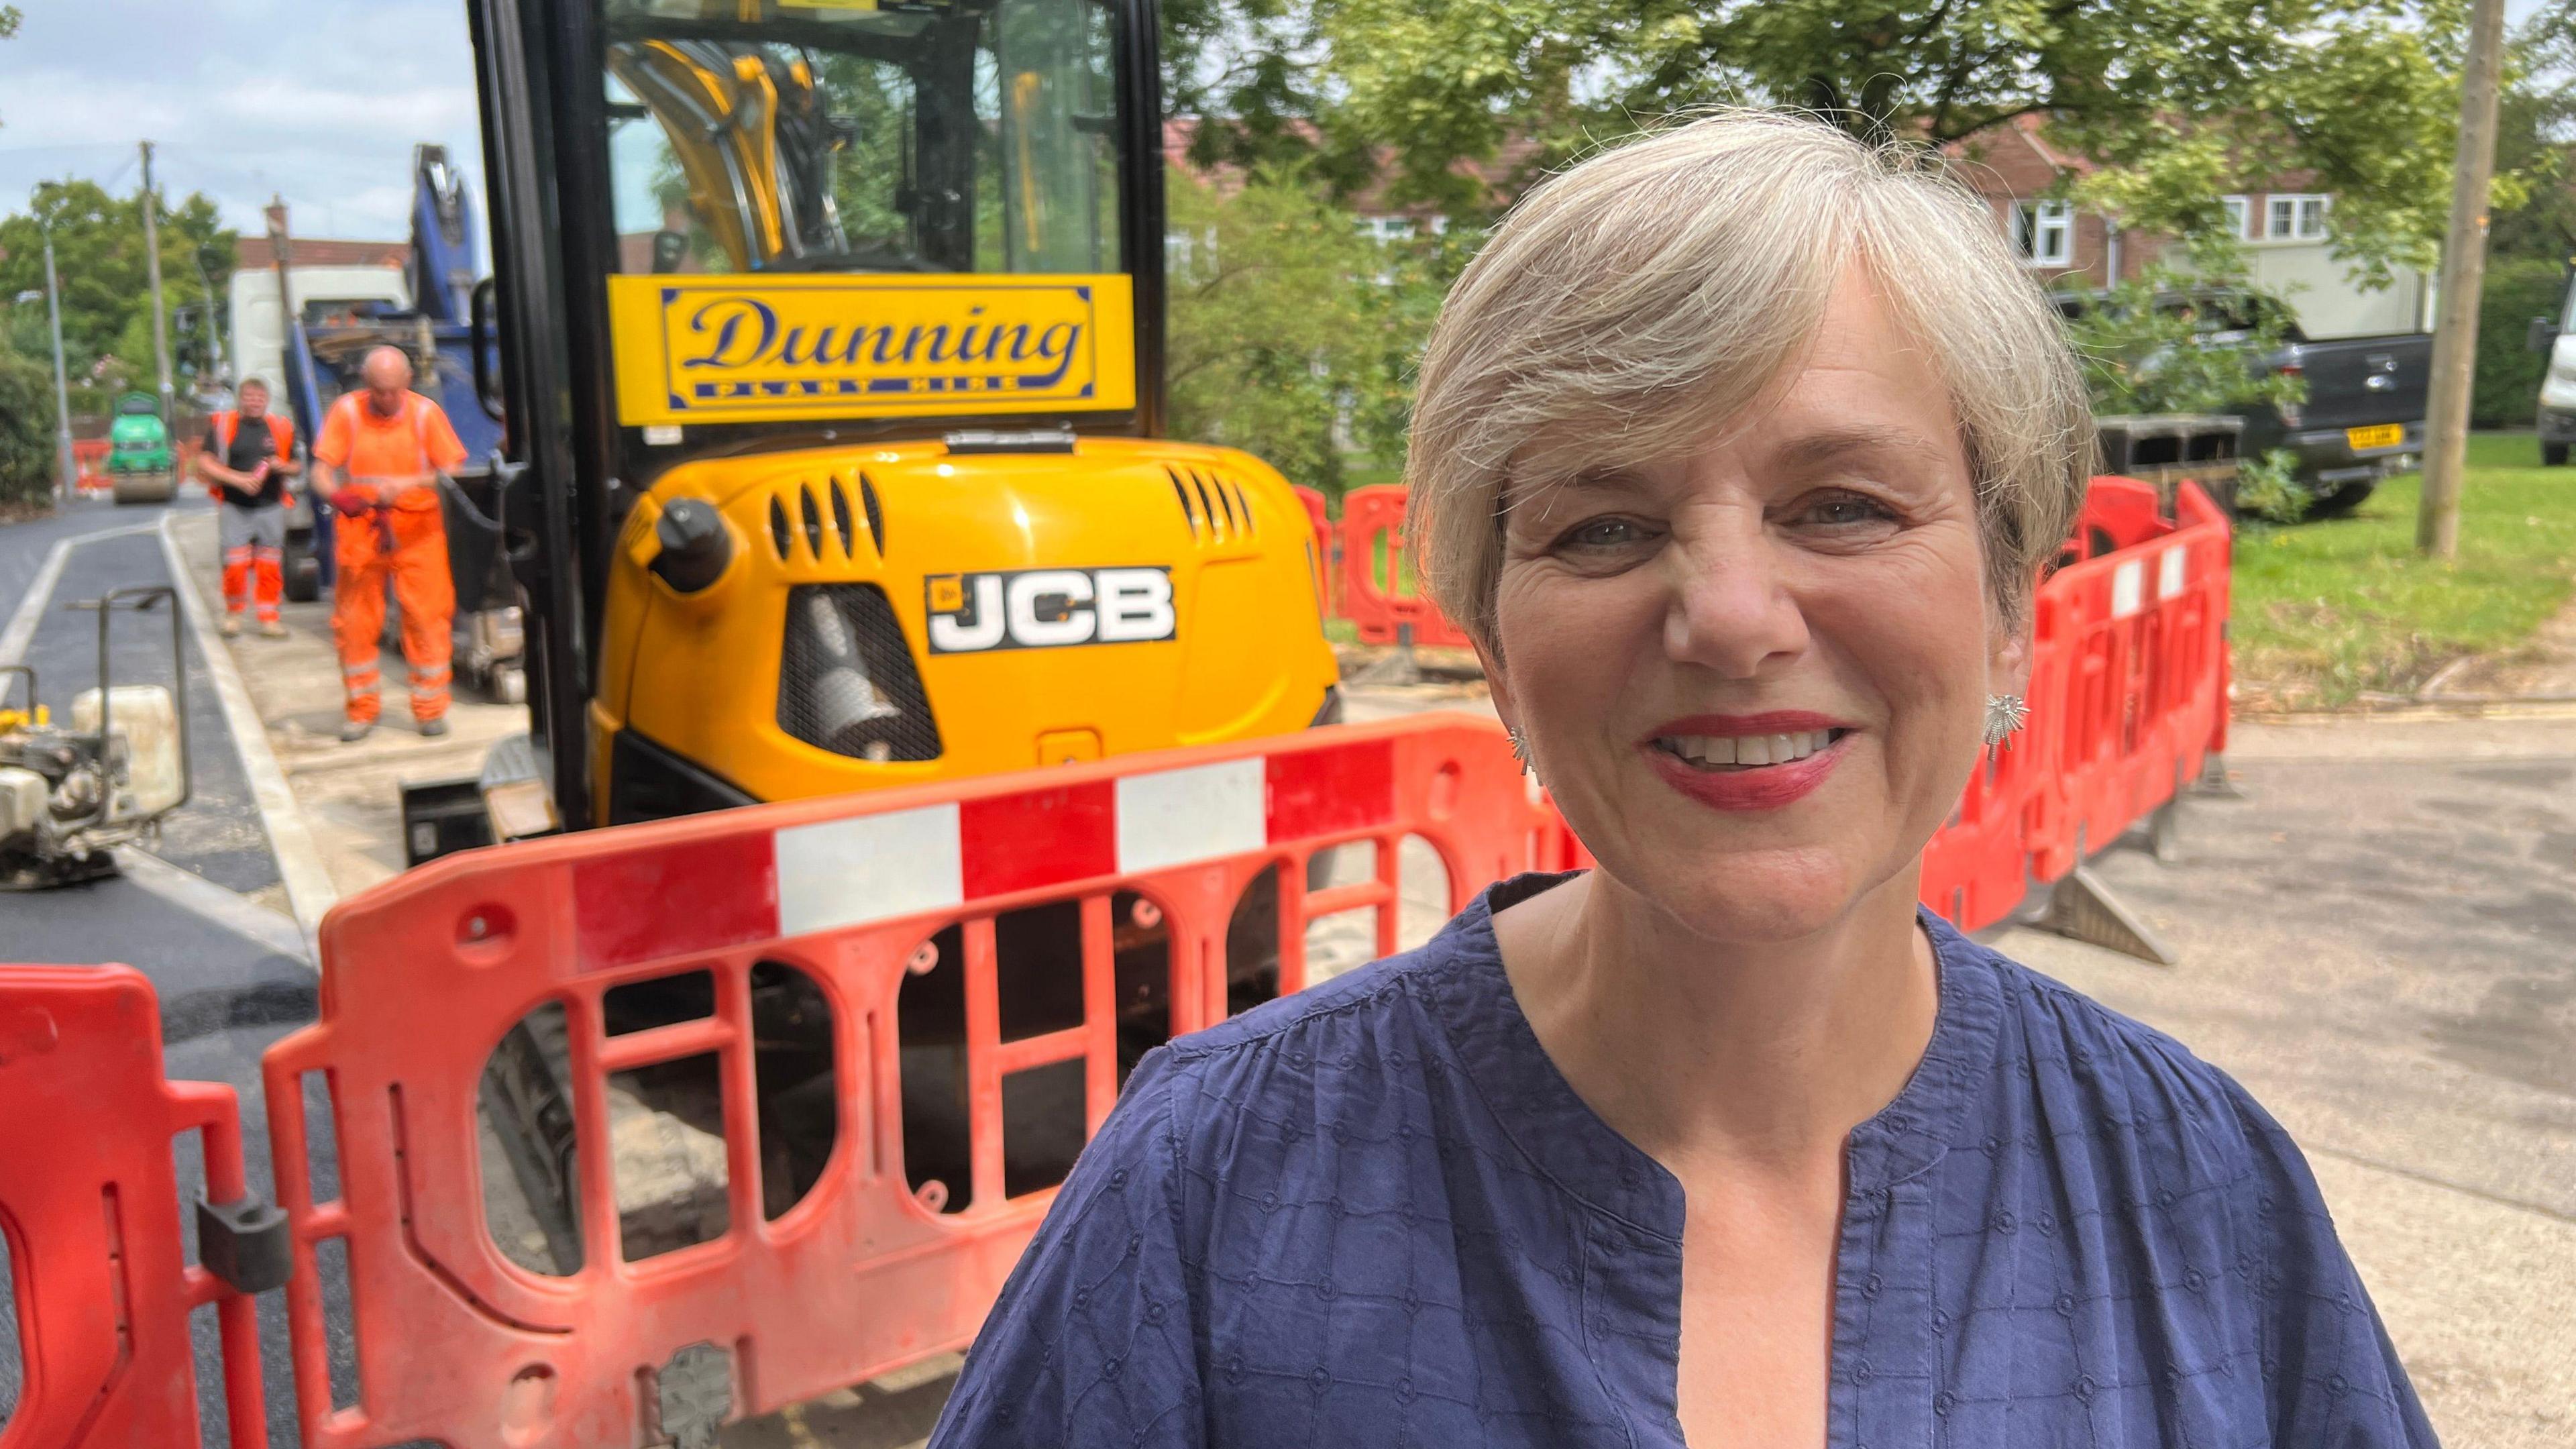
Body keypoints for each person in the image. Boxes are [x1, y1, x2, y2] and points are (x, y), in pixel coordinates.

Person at [929, 111, 2440, 1448]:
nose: (1727, 615)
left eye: (1841, 504)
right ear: (1499, 651)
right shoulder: (1215, 1190)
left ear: (2004, 603)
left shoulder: (2195, 1192)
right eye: (1599, 526)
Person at [309, 346, 468, 743]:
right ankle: (362, 709)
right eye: (379, 391)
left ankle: (430, 709)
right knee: (355, 622)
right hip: (362, 528)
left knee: (427, 617)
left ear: (407, 383)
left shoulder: (425, 414)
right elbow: (320, 472)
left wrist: (407, 485)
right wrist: (336, 496)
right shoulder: (347, 412)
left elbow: (452, 471)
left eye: (394, 390)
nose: (387, 399)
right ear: (367, 385)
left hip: (418, 531)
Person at [197, 378, 300, 638]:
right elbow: (205, 462)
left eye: (259, 397)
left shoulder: (281, 427)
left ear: (266, 400)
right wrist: (239, 480)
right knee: (234, 564)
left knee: (269, 566)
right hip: (235, 506)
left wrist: (281, 466)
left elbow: (297, 466)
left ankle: (269, 618)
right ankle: (233, 614)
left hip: (271, 507)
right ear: (241, 400)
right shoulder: (224, 425)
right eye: (249, 397)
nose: (254, 402)